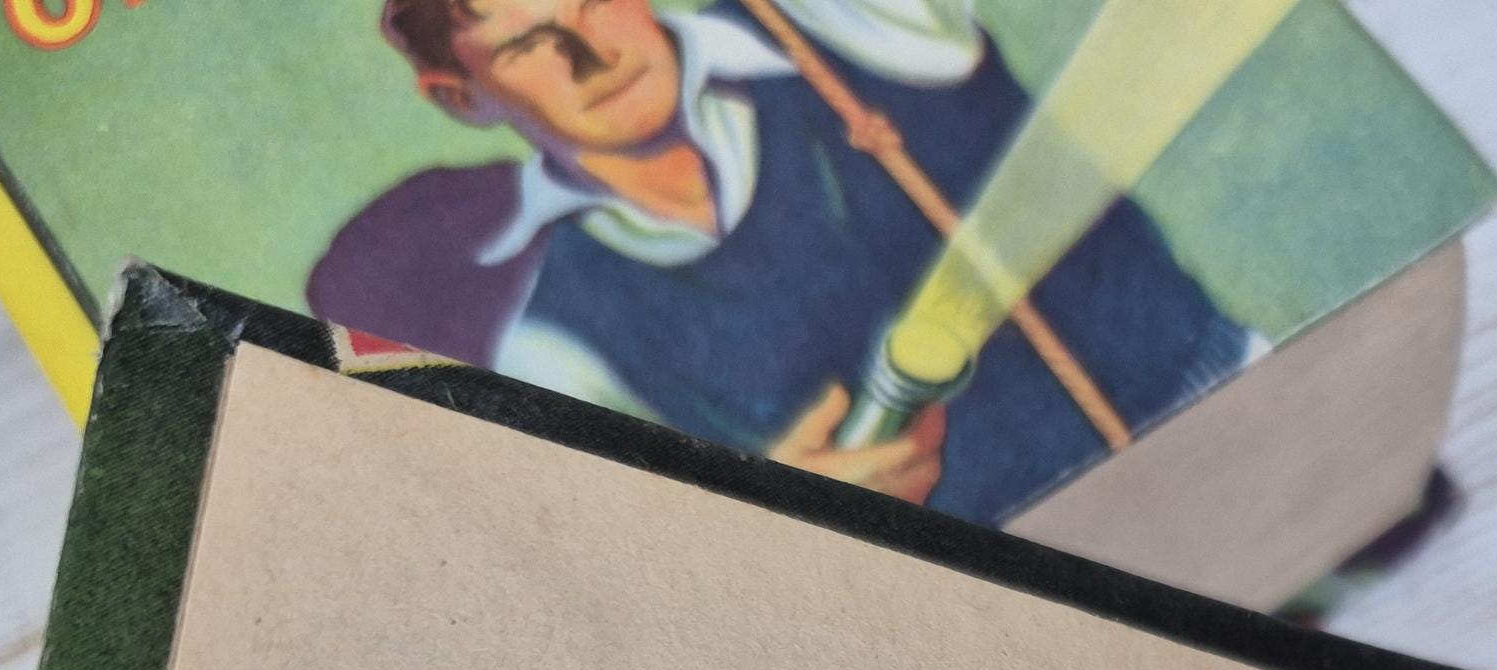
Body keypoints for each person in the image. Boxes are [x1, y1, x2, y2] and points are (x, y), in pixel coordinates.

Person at [310, 0, 1254, 521]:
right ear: (463, 97)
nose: (592, 52)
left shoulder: (845, 28)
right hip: (1029, 583)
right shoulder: (559, 341)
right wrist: (788, 516)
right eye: (528, 45)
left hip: (1231, 411)